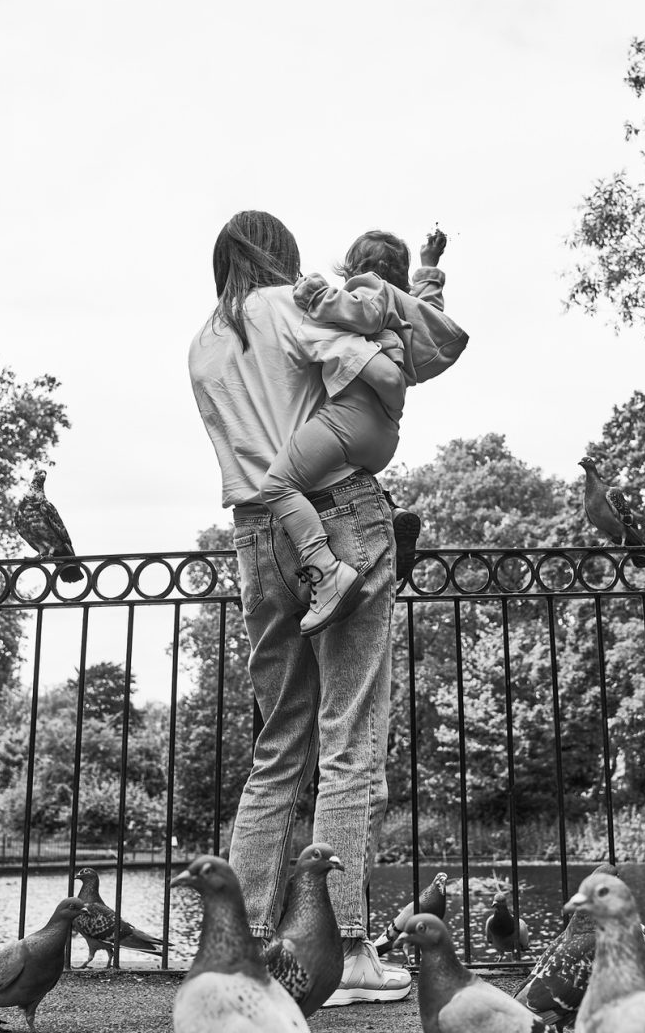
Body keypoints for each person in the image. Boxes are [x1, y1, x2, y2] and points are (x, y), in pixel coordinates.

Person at [187, 209, 409, 1005]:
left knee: (279, 743)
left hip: (254, 536)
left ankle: (233, 949)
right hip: (337, 513)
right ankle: (343, 948)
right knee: (350, 734)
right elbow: (382, 372)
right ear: (278, 257)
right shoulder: (291, 306)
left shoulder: (202, 345)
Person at [260, 227, 449, 627]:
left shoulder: (369, 291)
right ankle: (390, 513)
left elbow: (362, 311)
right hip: (384, 434)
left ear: (355, 270)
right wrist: (430, 268)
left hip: (350, 416)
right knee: (340, 481)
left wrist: (316, 295)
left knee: (277, 486)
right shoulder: (404, 310)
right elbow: (428, 307)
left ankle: (327, 573)